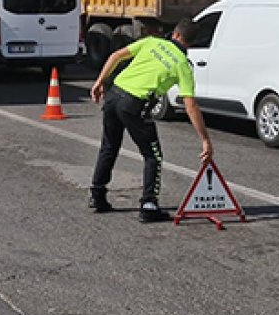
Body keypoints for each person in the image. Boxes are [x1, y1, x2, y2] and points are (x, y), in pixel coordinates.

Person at [88, 19, 213, 223]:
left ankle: (97, 194)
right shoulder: (183, 65)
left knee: (109, 146)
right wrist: (205, 139)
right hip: (134, 104)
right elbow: (191, 106)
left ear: (176, 34)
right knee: (152, 155)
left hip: (114, 94)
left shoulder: (151, 42)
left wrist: (99, 82)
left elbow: (116, 56)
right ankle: (149, 204)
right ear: (190, 42)